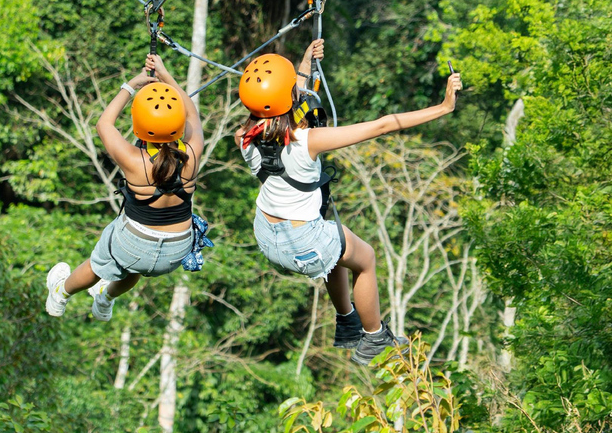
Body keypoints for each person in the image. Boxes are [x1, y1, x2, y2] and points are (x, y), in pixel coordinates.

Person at [235, 39, 462, 365]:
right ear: (288, 97)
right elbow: (384, 124)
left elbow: (280, 100)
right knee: (365, 257)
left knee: (336, 243)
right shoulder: (309, 141)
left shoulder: (243, 137)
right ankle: (374, 338)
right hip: (302, 240)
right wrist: (444, 107)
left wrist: (305, 61)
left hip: (266, 233)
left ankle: (347, 321)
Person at [46, 54, 204, 321]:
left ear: (139, 126)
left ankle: (60, 294)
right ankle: (105, 299)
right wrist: (165, 76)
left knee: (100, 263)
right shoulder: (193, 153)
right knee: (135, 268)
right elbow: (192, 114)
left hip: (133, 246)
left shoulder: (133, 160)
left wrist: (132, 85)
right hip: (176, 252)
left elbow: (103, 124)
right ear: (179, 127)